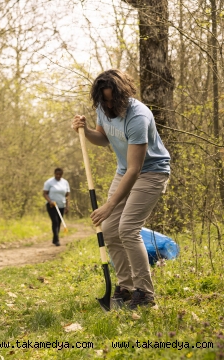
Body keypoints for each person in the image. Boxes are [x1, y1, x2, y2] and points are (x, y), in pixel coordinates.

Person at [71, 69, 171, 309]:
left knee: (127, 228)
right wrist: (84, 131)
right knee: (109, 229)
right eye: (103, 100)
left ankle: (145, 294)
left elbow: (135, 169)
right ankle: (125, 287)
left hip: (151, 172)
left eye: (111, 100)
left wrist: (109, 204)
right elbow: (104, 138)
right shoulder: (103, 108)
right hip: (124, 170)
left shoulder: (138, 116)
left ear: (123, 95)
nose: (108, 105)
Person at [42, 168, 70, 246]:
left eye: (60, 174)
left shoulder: (65, 182)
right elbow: (45, 193)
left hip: (61, 205)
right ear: (54, 174)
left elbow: (67, 195)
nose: (58, 176)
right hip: (52, 205)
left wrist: (67, 206)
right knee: (55, 221)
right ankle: (56, 239)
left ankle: (55, 239)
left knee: (59, 222)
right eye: (57, 174)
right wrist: (50, 201)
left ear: (62, 174)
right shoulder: (49, 182)